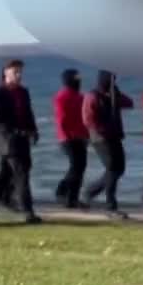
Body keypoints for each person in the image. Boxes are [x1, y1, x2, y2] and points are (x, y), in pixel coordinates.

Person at [0, 60, 41, 224]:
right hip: (6, 141)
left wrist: (33, 130)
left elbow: (28, 113)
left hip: (21, 140)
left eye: (20, 72)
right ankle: (29, 212)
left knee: (3, 176)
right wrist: (14, 131)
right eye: (15, 72)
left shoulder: (23, 92)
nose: (19, 76)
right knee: (22, 175)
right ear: (6, 73)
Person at [81, 70, 134, 217]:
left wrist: (116, 95)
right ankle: (110, 206)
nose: (113, 83)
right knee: (113, 169)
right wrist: (103, 130)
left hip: (115, 136)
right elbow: (88, 120)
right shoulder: (92, 96)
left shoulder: (113, 94)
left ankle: (90, 192)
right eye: (111, 81)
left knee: (119, 168)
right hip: (101, 138)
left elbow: (129, 103)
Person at [53, 68, 89, 209]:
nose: (79, 81)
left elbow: (84, 119)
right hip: (68, 138)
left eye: (79, 78)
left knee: (80, 167)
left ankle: (71, 196)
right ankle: (65, 193)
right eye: (76, 78)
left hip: (80, 137)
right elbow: (62, 119)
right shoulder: (62, 97)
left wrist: (86, 136)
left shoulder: (80, 97)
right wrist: (66, 136)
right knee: (76, 166)